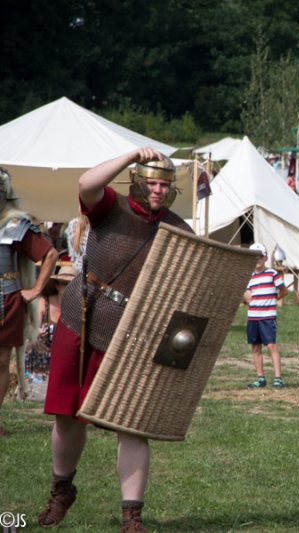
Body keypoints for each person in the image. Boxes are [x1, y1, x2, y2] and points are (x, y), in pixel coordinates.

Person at [38, 148, 192, 532]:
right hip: (83, 316)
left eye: (164, 185)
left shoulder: (176, 228)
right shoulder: (111, 208)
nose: (158, 191)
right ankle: (61, 490)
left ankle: (132, 517)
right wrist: (129, 156)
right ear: (137, 181)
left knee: (131, 423)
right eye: (152, 182)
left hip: (131, 332)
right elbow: (86, 183)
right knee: (68, 415)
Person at [0, 167, 58, 437]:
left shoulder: (13, 225)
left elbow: (50, 254)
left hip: (5, 300)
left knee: (1, 362)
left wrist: (36, 289)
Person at [244, 243, 288, 390]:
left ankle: (278, 378)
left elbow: (283, 290)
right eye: (254, 256)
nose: (258, 259)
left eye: (260, 256)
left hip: (267, 316)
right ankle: (260, 378)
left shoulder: (272, 274)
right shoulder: (248, 277)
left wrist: (273, 299)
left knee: (271, 346)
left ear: (265, 258)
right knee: (255, 347)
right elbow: (248, 298)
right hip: (253, 316)